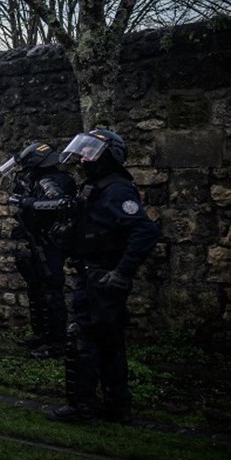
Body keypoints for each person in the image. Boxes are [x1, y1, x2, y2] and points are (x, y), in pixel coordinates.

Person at [49, 128, 160, 425]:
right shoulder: (93, 187)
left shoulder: (117, 189)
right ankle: (116, 404)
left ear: (108, 155)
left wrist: (122, 272)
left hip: (103, 276)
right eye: (82, 151)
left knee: (82, 336)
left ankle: (82, 405)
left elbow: (144, 231)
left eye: (90, 151)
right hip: (92, 273)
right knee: (109, 340)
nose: (84, 157)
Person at [0, 141, 77, 359]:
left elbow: (61, 203)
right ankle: (43, 335)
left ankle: (56, 343)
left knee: (51, 293)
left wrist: (27, 202)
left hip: (50, 244)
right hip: (39, 241)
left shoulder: (49, 179)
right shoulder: (38, 178)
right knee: (37, 291)